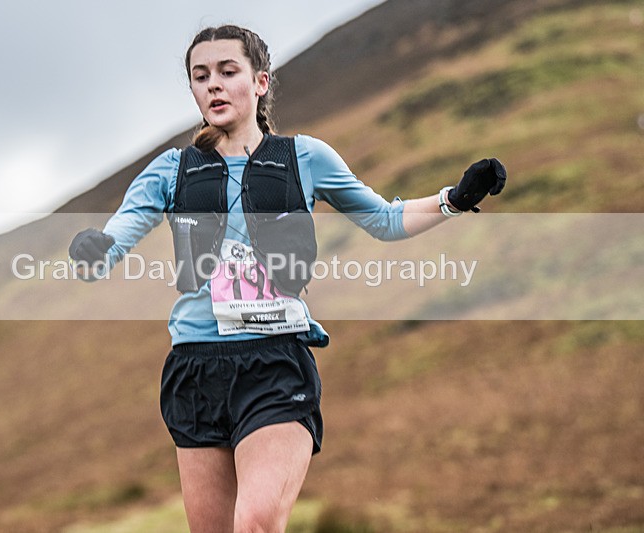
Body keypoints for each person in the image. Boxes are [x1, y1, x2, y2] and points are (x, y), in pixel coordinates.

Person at [68, 24, 505, 533]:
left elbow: (384, 220)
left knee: (254, 523)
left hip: (275, 365)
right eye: (200, 75)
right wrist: (94, 252)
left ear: (259, 82)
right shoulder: (171, 170)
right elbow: (114, 239)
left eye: (228, 72)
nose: (213, 85)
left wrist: (455, 200)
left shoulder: (306, 158)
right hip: (195, 371)